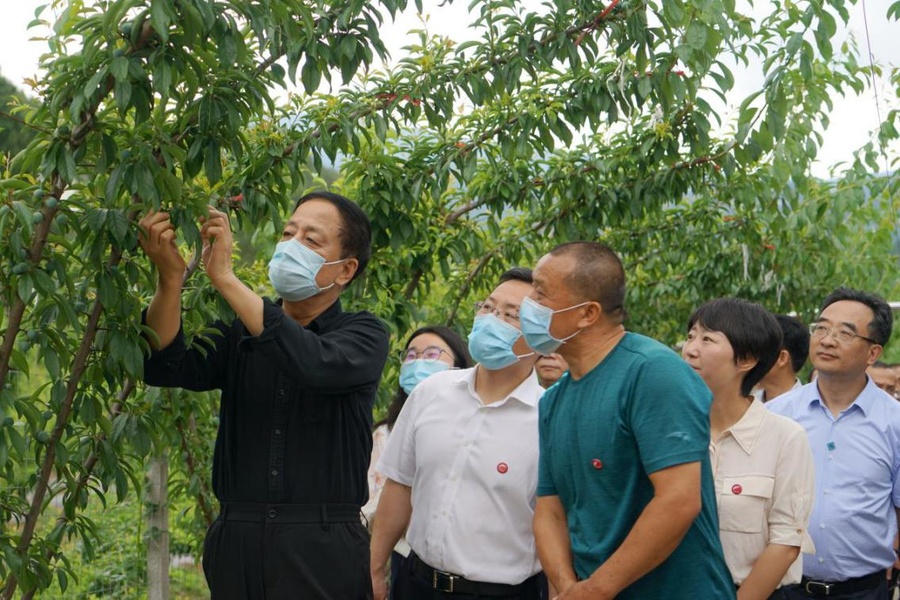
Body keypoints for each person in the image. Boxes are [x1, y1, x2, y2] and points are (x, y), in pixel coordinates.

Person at [139, 191, 390, 599]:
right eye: (288, 233)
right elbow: (166, 364)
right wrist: (169, 281)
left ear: (345, 270)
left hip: (322, 545)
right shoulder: (239, 332)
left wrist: (225, 277)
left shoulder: (364, 334)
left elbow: (313, 362)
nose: (292, 245)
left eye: (311, 240)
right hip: (238, 539)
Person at [527, 241, 733, 599]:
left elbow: (679, 500)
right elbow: (550, 510)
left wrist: (596, 590)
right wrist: (567, 588)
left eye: (541, 295)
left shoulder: (653, 373)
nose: (528, 305)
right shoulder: (555, 399)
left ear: (587, 313)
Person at [370, 267, 546, 600]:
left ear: (541, 337)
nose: (492, 320)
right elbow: (399, 485)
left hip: (501, 593)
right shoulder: (431, 392)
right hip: (415, 583)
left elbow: (555, 521)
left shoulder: (548, 417)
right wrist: (375, 568)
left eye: (511, 316)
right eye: (488, 307)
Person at [768, 287, 900, 600]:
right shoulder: (775, 415)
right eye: (822, 328)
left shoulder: (894, 422)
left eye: (845, 333)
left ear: (872, 353)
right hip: (784, 588)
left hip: (863, 591)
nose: (827, 340)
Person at [682, 298, 815, 599]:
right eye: (691, 336)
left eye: (707, 339)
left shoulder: (785, 437)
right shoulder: (671, 429)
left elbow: (785, 543)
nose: (690, 349)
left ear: (746, 360)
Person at [363, 326, 471, 595]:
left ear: (458, 365)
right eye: (411, 356)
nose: (419, 361)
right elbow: (372, 502)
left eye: (432, 354)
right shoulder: (385, 434)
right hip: (406, 557)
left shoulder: (475, 426)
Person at [754, 314, 810, 403]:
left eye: (756, 348)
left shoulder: (807, 410)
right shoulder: (745, 405)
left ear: (782, 358)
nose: (748, 358)